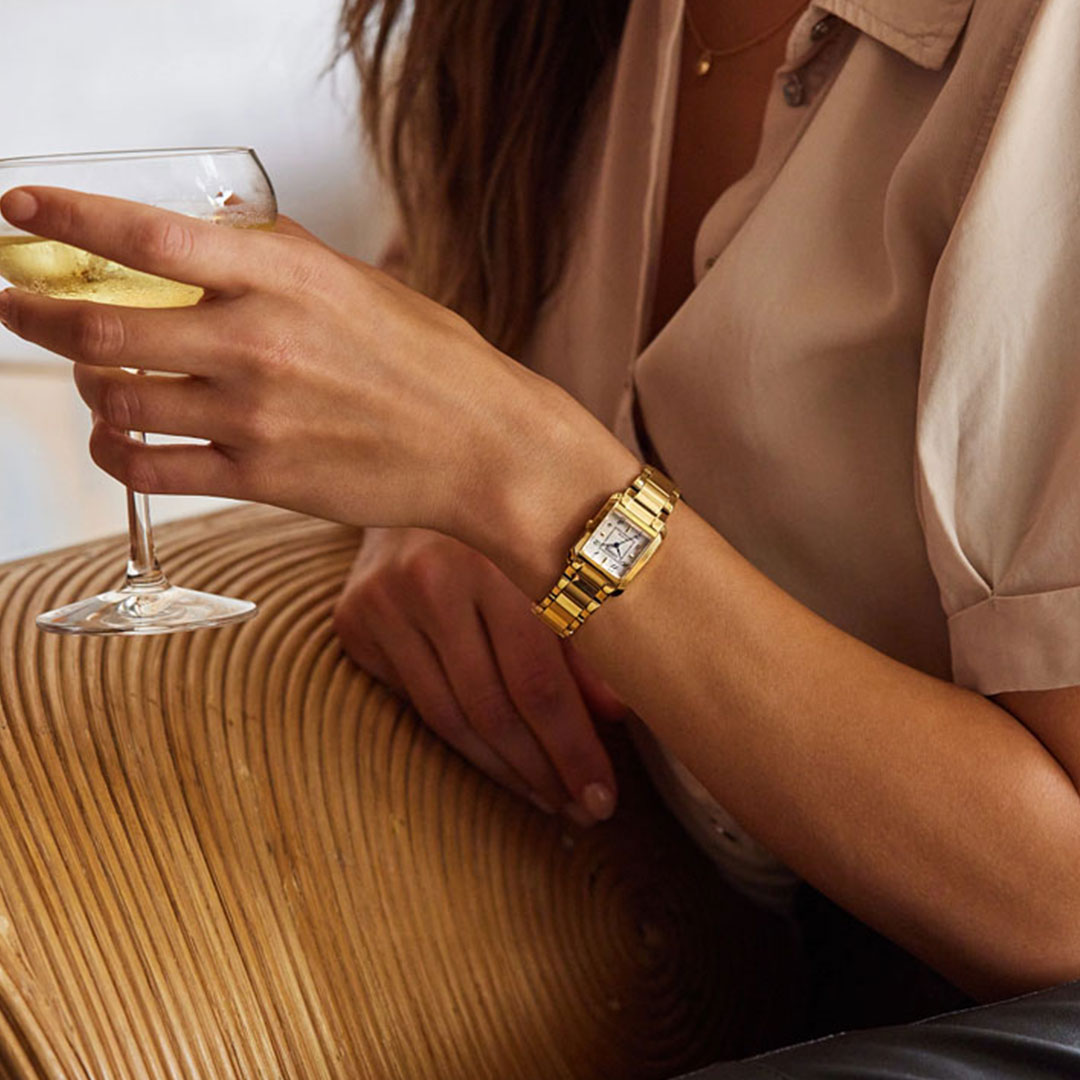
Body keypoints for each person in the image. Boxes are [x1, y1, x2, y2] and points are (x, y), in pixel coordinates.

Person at [2, 0, 1080, 1071]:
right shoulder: (528, 30)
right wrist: (416, 500)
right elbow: (455, 278)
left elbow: (1064, 912)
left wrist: (524, 481)